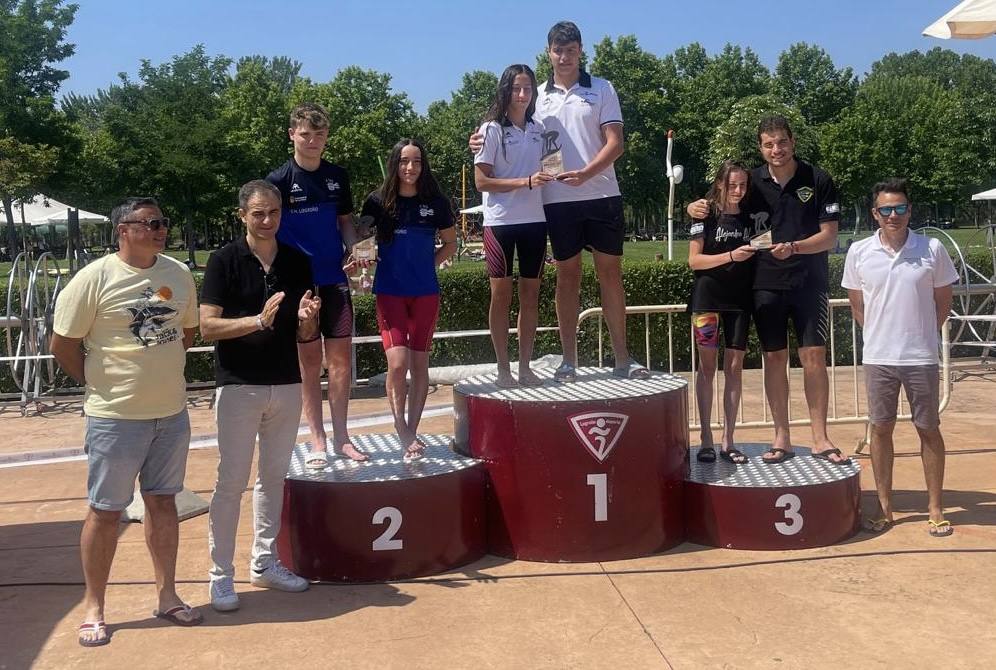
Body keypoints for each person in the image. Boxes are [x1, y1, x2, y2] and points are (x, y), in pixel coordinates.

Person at [50, 197, 202, 647]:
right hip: (115, 418)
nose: (160, 229)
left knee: (163, 505)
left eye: (163, 221)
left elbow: (187, 332)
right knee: (106, 512)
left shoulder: (177, 275)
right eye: (150, 223)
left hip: (171, 414)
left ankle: (167, 596)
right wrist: (99, 383)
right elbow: (63, 344)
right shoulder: (93, 279)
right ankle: (94, 607)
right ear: (123, 229)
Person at [471, 21, 649, 383]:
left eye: (571, 50)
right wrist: (480, 137)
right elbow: (510, 123)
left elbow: (616, 142)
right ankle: (569, 361)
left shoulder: (602, 88)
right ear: (549, 52)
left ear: (581, 50)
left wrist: (586, 173)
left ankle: (622, 358)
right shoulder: (535, 96)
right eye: (558, 50)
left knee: (610, 275)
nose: (564, 56)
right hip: (555, 200)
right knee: (567, 278)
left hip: (601, 193)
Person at [688, 116, 847, 465]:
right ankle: (782, 437)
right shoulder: (753, 183)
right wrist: (692, 207)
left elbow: (830, 236)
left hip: (809, 282)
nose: (776, 150)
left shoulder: (818, 179)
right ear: (761, 147)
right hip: (763, 285)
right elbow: (721, 203)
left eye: (782, 142)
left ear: (793, 141)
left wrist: (795, 248)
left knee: (813, 358)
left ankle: (820, 438)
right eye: (769, 144)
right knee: (774, 359)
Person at [199, 180, 322, 611]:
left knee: (272, 479)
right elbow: (207, 327)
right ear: (242, 216)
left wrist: (307, 320)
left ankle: (264, 564)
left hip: (286, 383)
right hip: (238, 385)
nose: (267, 220)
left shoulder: (296, 262)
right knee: (230, 482)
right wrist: (256, 320)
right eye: (258, 214)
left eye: (273, 212)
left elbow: (306, 334)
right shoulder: (223, 261)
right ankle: (220, 575)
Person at [842, 178, 958, 536]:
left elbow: (943, 302)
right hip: (879, 356)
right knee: (881, 430)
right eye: (887, 210)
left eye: (901, 208)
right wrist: (882, 334)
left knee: (928, 429)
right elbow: (857, 306)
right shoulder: (859, 251)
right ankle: (885, 508)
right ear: (875, 213)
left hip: (921, 356)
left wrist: (919, 334)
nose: (894, 215)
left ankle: (935, 508)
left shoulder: (933, 248)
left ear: (910, 210)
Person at [267, 102, 367, 467]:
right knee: (309, 364)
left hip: (335, 280)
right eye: (305, 134)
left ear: (327, 137)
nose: (312, 141)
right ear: (292, 134)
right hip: (298, 286)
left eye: (319, 134)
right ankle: (317, 439)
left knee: (340, 363)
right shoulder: (277, 181)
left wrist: (355, 249)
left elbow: (345, 222)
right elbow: (267, 229)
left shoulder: (338, 176)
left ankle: (342, 437)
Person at [361, 140, 457, 459]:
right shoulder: (377, 202)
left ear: (423, 165)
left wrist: (424, 265)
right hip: (389, 293)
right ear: (395, 163)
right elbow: (360, 239)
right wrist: (360, 255)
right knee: (398, 363)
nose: (410, 168)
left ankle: (411, 431)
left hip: (426, 294)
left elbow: (450, 244)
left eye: (416, 161)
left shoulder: (437, 202)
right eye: (404, 161)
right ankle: (400, 427)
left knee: (419, 365)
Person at [474, 64, 552, 387]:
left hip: (535, 221)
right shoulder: (490, 130)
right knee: (501, 295)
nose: (522, 95)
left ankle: (524, 367)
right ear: (506, 90)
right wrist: (526, 182)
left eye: (528, 89)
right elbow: (481, 181)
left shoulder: (540, 128)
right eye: (517, 89)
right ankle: (502, 368)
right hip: (501, 223)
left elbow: (552, 167)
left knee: (531, 295)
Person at [687, 161, 756, 464]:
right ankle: (705, 437)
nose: (738, 191)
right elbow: (694, 261)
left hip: (740, 301)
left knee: (735, 368)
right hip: (707, 300)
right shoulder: (705, 214)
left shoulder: (753, 215)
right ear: (719, 184)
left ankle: (729, 439)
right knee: (706, 369)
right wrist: (730, 255)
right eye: (732, 185)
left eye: (742, 185)